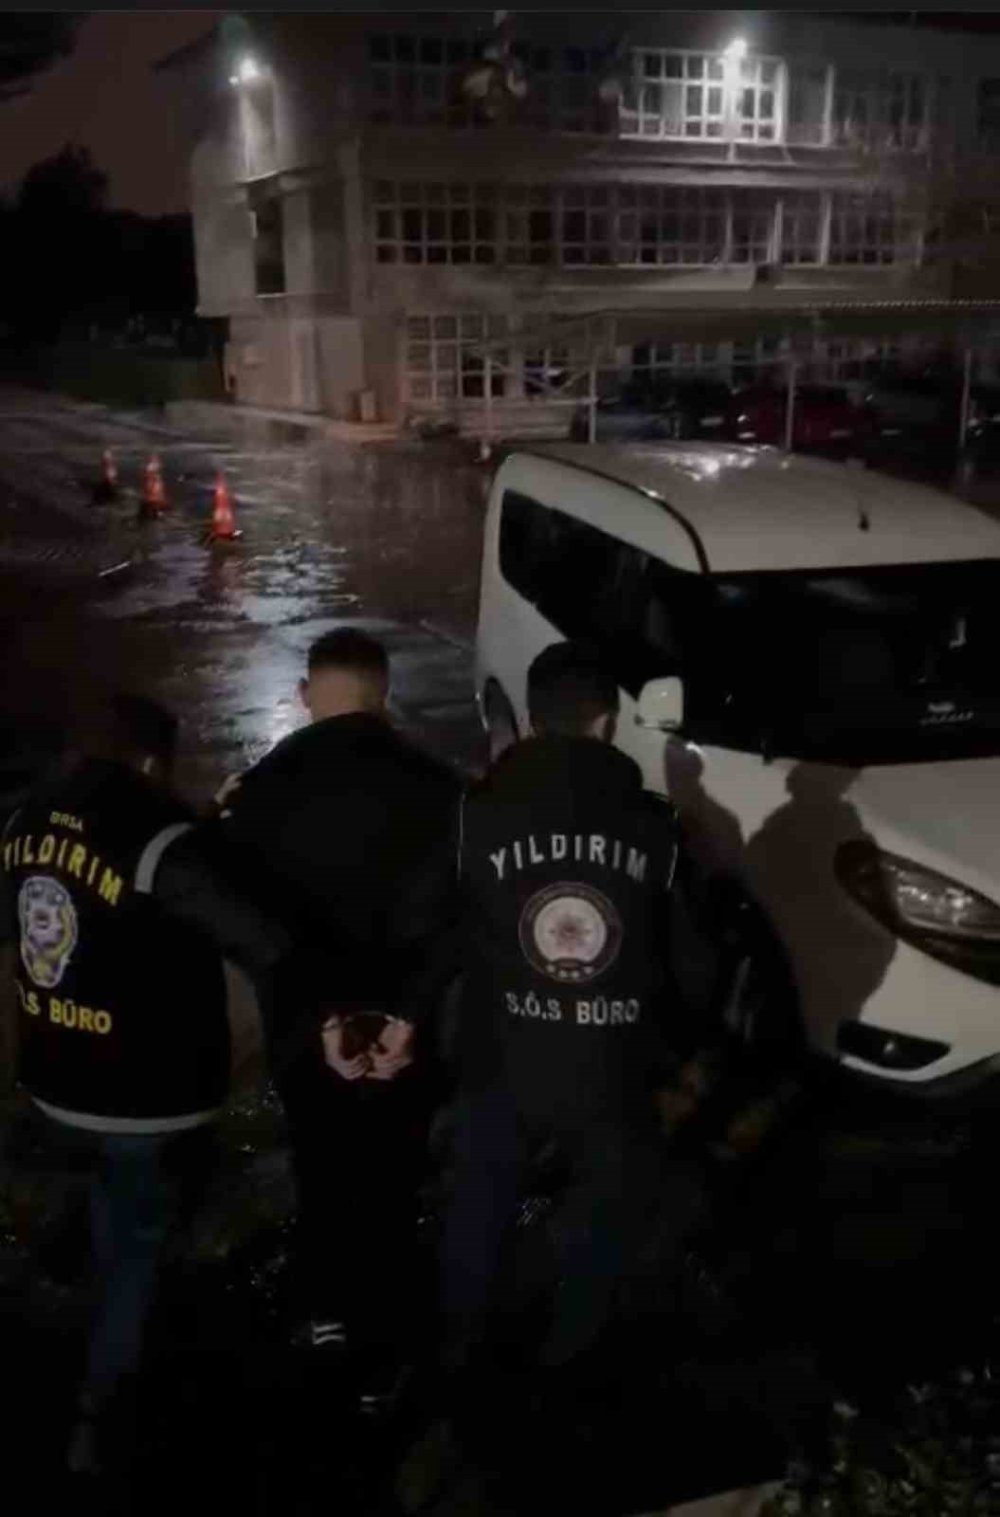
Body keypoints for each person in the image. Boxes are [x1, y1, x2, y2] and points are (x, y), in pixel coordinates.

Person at [403, 641, 719, 1400]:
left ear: (536, 719)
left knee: (479, 1199)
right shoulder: (657, 827)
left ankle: (459, 1348)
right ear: (608, 722)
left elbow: (426, 923)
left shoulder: (477, 814)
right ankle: (569, 1361)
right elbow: (695, 966)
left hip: (501, 1051)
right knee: (605, 1210)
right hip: (611, 1062)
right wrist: (683, 1049)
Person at [0, 694, 292, 1477]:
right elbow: (258, 937)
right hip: (144, 1094)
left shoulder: (25, 818)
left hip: (54, 1072)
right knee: (138, 1244)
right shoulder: (165, 835)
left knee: (113, 1211)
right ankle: (103, 1406)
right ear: (155, 760)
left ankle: (86, 1293)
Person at [213, 627, 460, 1409]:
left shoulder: (261, 788)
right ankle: (393, 1336)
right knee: (394, 1173)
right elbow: (458, 921)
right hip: (403, 1029)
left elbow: (245, 924)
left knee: (322, 1170)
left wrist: (318, 1015)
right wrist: (408, 1019)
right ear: (384, 693)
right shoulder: (439, 786)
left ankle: (326, 1321)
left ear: (309, 693)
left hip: (305, 1028)